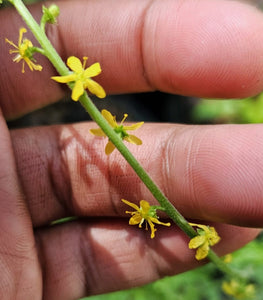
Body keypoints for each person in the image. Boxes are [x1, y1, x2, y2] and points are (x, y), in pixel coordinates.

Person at [1, 0, 263, 299]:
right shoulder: (73, 82)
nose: (82, 75)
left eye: (82, 74)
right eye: (78, 76)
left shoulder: (84, 86)